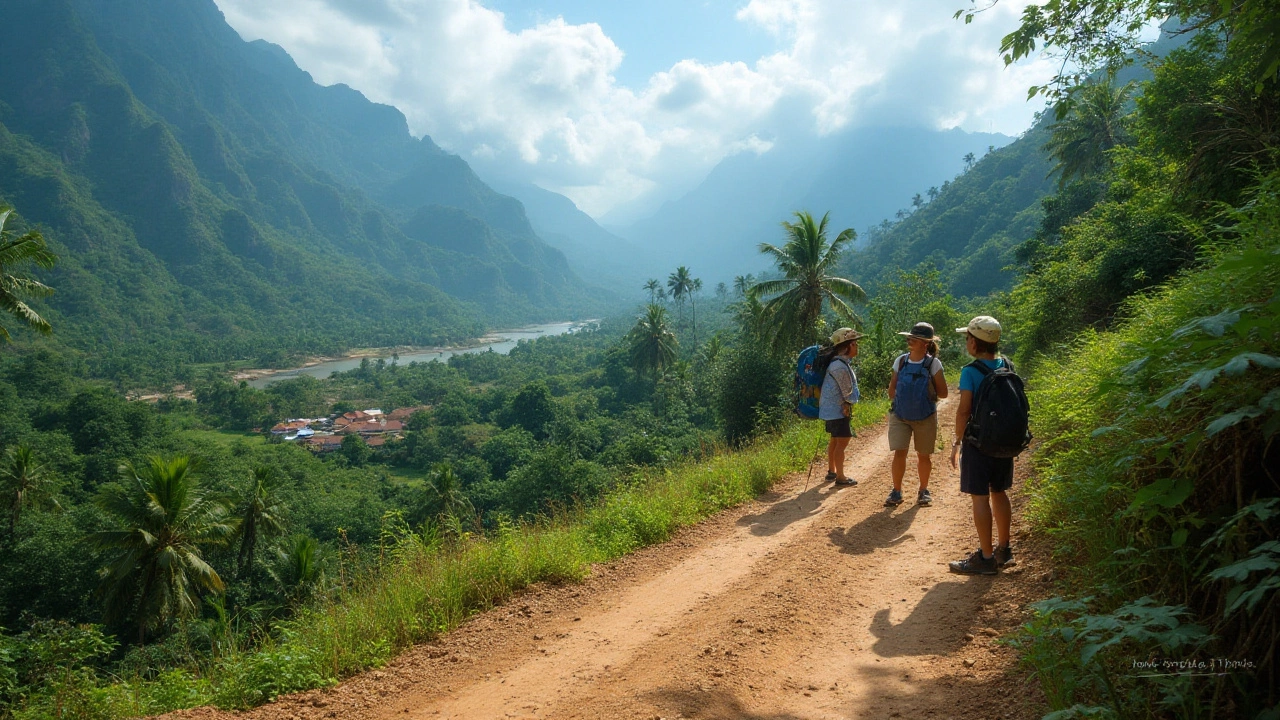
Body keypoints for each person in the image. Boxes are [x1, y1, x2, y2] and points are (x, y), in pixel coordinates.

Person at [948, 315, 1014, 575]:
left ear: (975, 344)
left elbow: (964, 411)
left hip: (978, 444)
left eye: (967, 338)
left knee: (980, 497)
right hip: (1004, 443)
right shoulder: (1007, 365)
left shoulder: (971, 371)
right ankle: (1004, 550)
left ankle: (986, 558)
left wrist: (957, 442)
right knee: (1000, 492)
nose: (966, 342)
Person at [885, 322, 948, 507]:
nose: (910, 340)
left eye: (915, 339)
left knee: (923, 456)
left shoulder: (934, 363)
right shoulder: (901, 360)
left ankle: (923, 490)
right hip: (901, 415)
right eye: (910, 338)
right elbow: (892, 389)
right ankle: (897, 491)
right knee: (899, 453)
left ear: (926, 344)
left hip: (924, 416)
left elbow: (944, 393)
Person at [819, 327, 863, 486]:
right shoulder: (840, 367)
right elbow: (848, 393)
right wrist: (850, 403)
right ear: (849, 345)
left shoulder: (837, 364)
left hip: (830, 410)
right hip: (838, 411)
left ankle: (832, 471)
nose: (857, 347)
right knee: (843, 441)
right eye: (855, 344)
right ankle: (841, 477)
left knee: (835, 441)